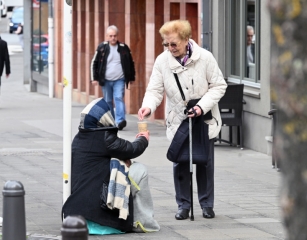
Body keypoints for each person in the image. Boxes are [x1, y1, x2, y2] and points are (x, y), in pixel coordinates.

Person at [138, 20, 227, 220]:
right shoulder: (162, 61)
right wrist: (148, 106)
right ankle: (183, 205)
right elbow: (154, 90)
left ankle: (206, 205)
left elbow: (219, 86)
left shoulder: (205, 58)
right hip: (178, 120)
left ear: (186, 40)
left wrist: (201, 106)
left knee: (205, 162)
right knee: (180, 162)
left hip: (203, 119)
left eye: (174, 44)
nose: (170, 48)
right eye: (166, 44)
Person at [62, 98, 159, 233]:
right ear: (106, 118)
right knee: (140, 170)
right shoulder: (104, 137)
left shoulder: (80, 137)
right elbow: (131, 149)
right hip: (98, 213)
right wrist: (143, 139)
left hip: (76, 214)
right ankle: (144, 222)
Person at [91, 25, 136, 131]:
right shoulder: (102, 47)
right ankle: (111, 121)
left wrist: (131, 77)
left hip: (119, 79)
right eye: (110, 36)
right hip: (106, 80)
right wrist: (94, 78)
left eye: (114, 36)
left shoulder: (123, 47)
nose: (113, 38)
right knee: (108, 101)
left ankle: (120, 121)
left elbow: (130, 63)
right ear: (107, 36)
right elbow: (95, 62)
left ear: (117, 36)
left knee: (118, 97)